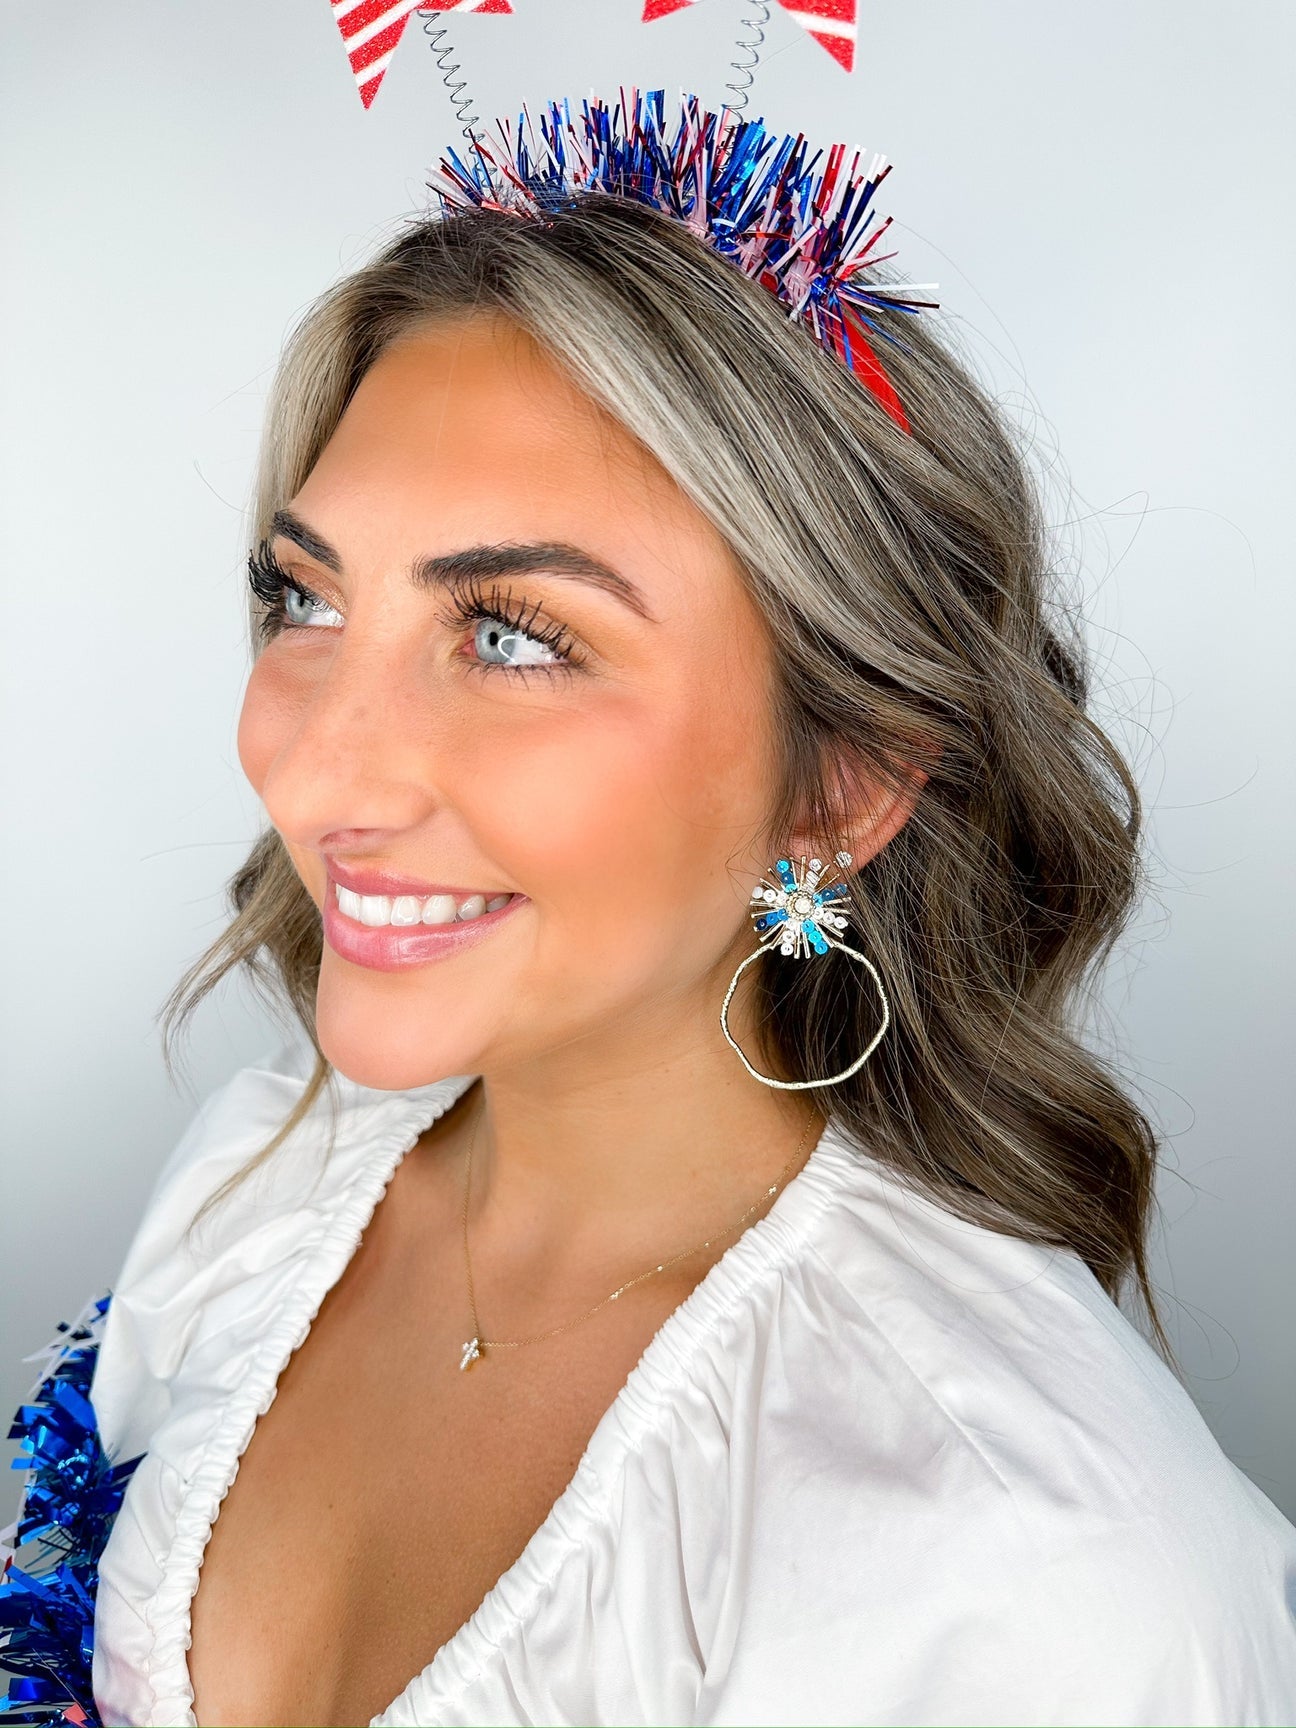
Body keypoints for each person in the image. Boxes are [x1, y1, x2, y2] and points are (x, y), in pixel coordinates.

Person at [5, 90, 1295, 1728]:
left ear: (843, 785)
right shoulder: (257, 1189)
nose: (317, 770)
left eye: (513, 636)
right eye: (307, 599)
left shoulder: (1047, 1581)